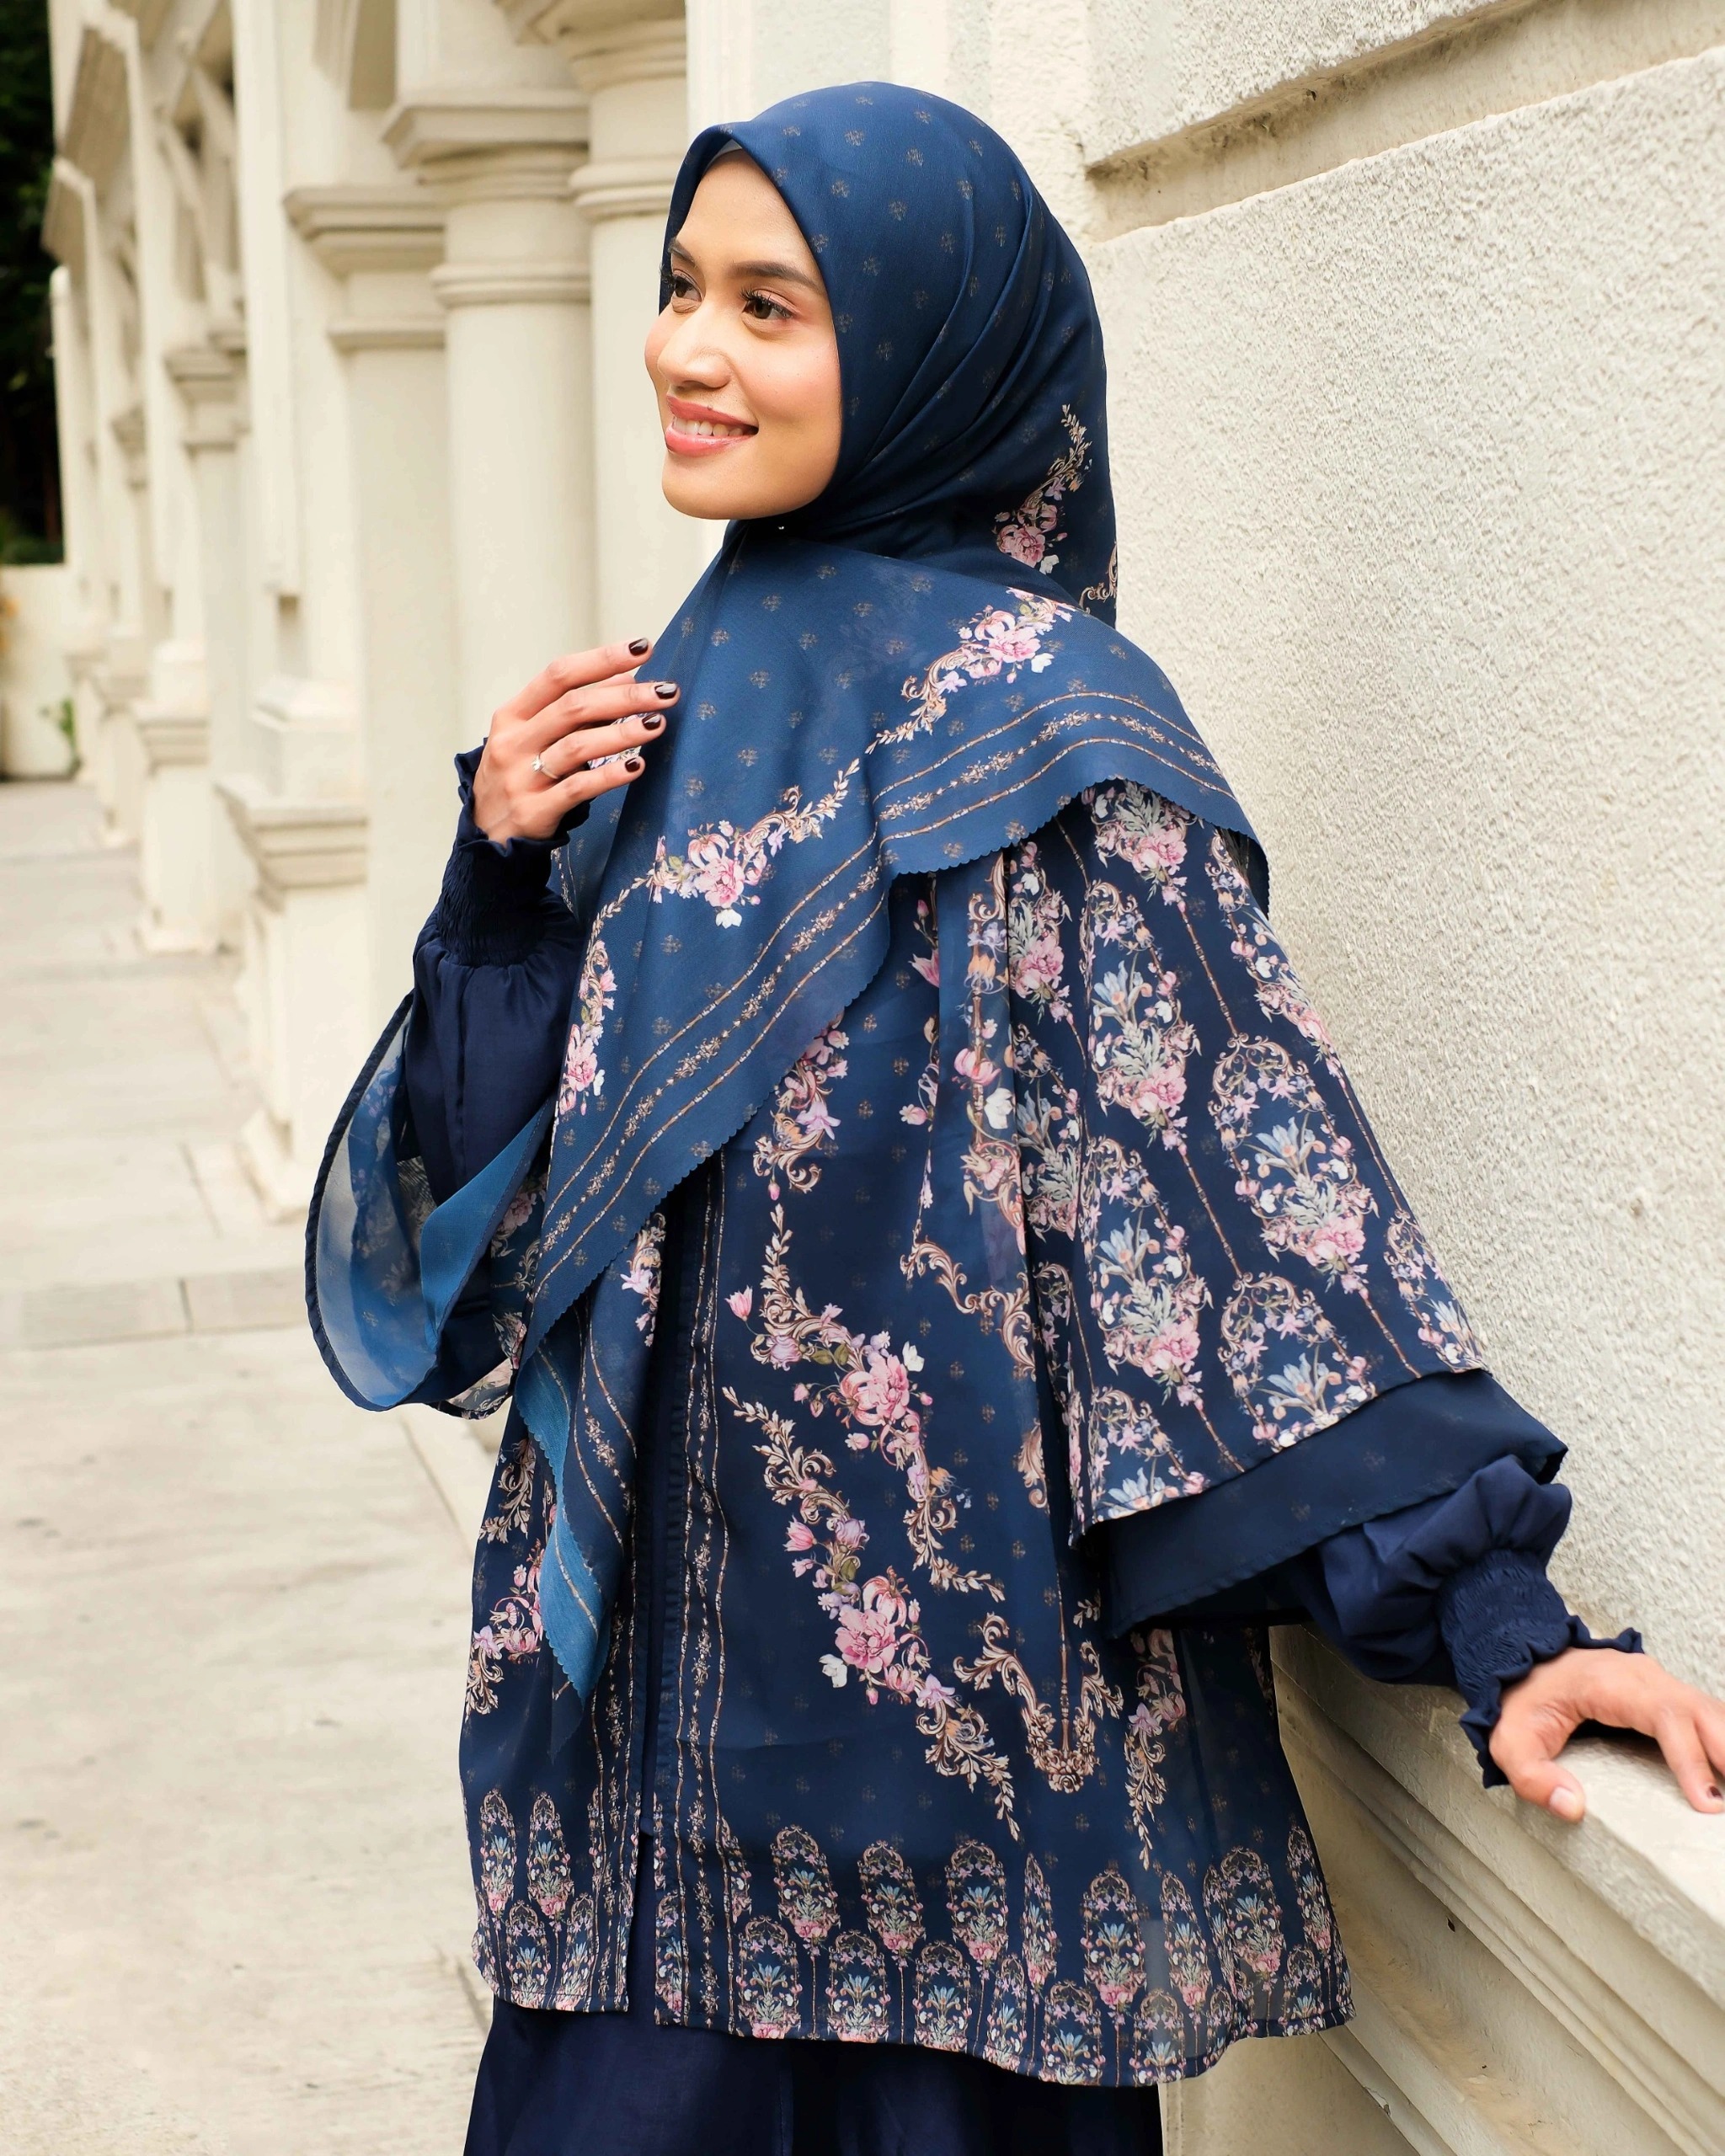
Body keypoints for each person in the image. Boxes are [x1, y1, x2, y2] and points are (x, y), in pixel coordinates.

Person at [307, 83, 1725, 2156]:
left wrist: (1503, 1625)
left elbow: (1231, 1213)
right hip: (646, 1803)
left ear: (921, 350)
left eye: (770, 306)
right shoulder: (667, 700)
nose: (689, 349)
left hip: (965, 1820)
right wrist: (507, 872)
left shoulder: (1049, 732)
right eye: (684, 286)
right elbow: (495, 1242)